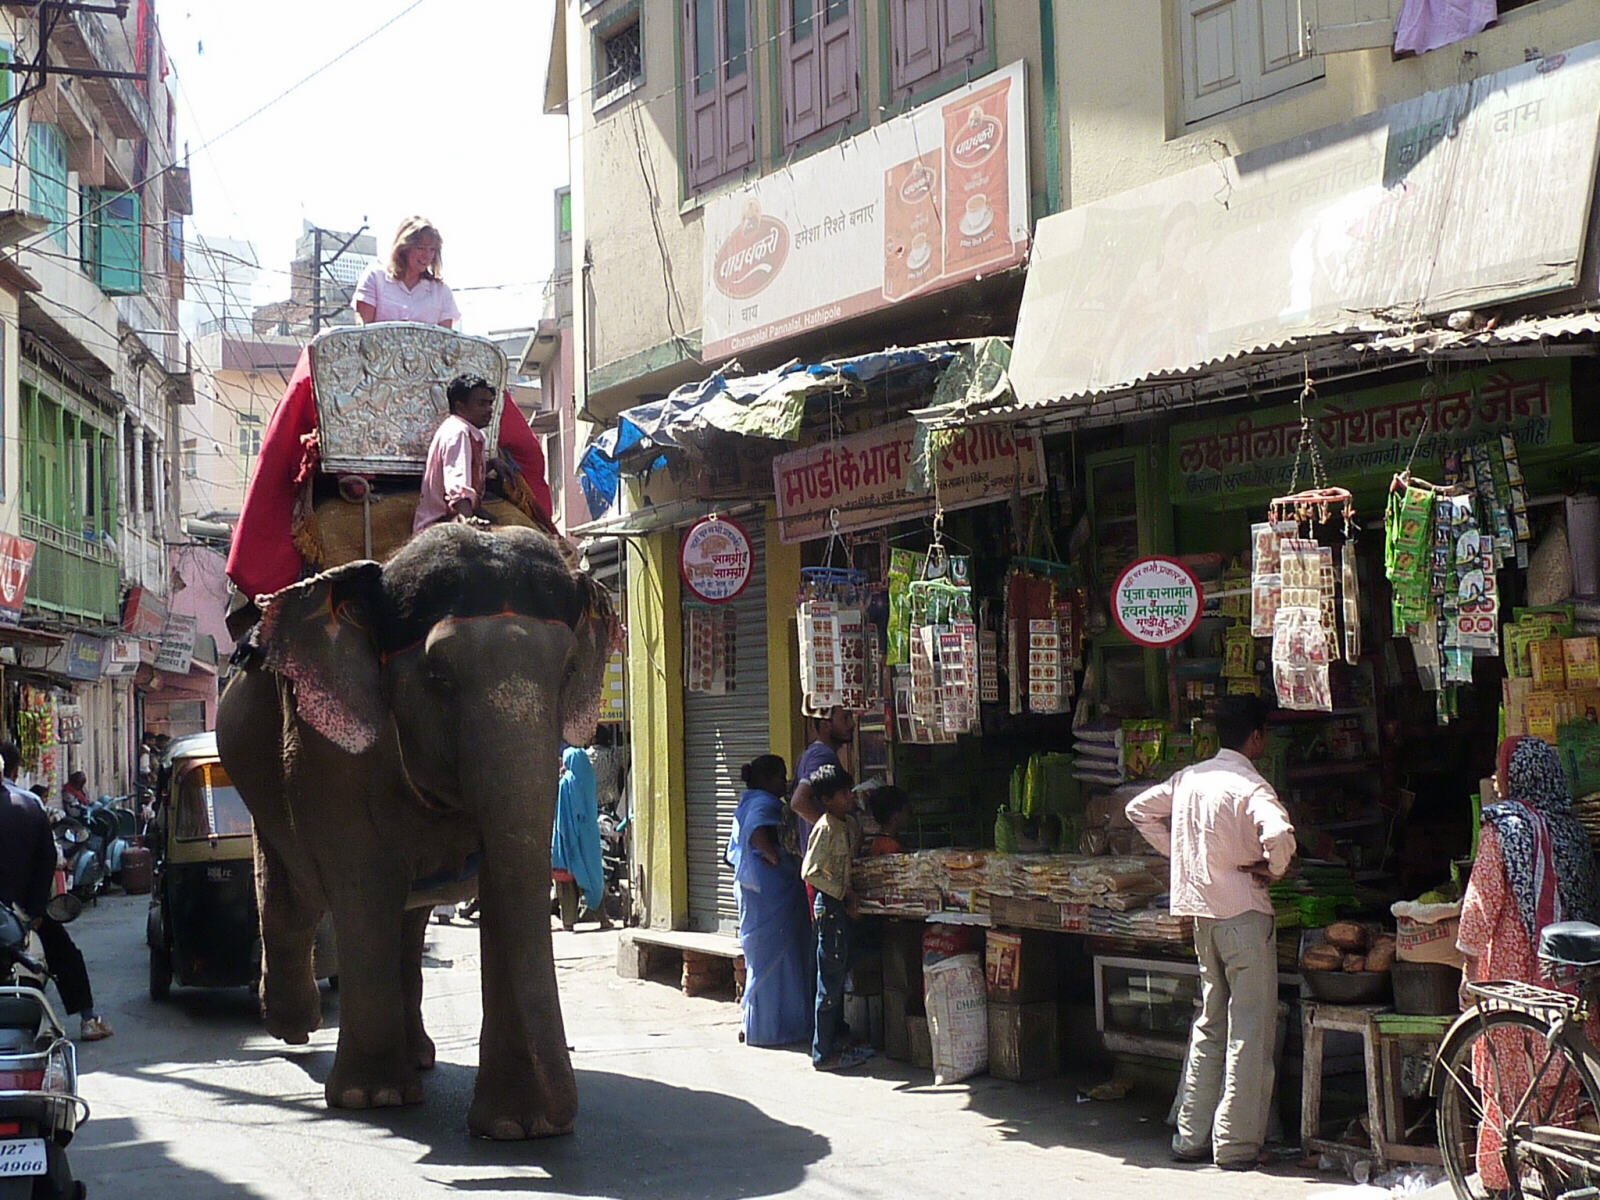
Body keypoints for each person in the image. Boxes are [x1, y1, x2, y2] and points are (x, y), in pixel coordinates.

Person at [1125, 695, 1293, 1171]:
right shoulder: (1250, 785)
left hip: (1203, 918)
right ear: (1257, 736)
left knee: (1210, 1022)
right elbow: (1280, 837)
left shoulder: (1191, 778)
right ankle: (1236, 1146)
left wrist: (1181, 854)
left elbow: (1139, 809)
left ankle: (1190, 1137)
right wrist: (1271, 869)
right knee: (1249, 1030)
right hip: (1243, 914)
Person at [1456, 735, 1600, 1192]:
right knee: (1565, 1075)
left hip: (1517, 970)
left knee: (1507, 1082)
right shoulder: (1571, 828)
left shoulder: (1504, 828)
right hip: (1568, 974)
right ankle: (1563, 1174)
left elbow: (1481, 905)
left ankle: (1499, 1180)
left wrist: (1467, 966)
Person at [0, 743, 111, 1042]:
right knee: (65, 956)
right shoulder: (28, 804)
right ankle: (88, 1018)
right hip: (24, 910)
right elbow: (47, 858)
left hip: (15, 911)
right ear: (14, 769)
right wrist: (35, 909)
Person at [724, 754, 813, 1047]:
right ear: (766, 779)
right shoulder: (761, 803)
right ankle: (767, 1028)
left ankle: (761, 1024)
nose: (784, 783)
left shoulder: (748, 800)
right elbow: (756, 831)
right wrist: (772, 854)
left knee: (768, 960)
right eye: (780, 777)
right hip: (768, 892)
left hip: (760, 892)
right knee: (770, 959)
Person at [800, 764, 872, 1072]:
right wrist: (844, 894)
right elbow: (810, 871)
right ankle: (823, 1053)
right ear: (827, 799)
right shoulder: (826, 827)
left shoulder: (846, 824)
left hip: (840, 906)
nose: (848, 797)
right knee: (829, 983)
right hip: (829, 907)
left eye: (849, 791)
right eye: (843, 794)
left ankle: (837, 1039)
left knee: (838, 976)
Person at [413, 373, 497, 533]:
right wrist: (468, 521)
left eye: (490, 404)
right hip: (440, 524)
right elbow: (456, 484)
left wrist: (492, 464)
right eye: (481, 404)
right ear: (460, 407)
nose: (489, 410)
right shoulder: (458, 432)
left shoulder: (465, 431)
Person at [353, 216, 462, 328]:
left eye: (432, 249)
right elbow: (363, 331)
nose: (427, 256)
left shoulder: (441, 292)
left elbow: (445, 340)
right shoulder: (375, 278)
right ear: (404, 248)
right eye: (421, 248)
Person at [552, 744, 611, 932]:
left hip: (568, 840)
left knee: (567, 882)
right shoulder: (588, 779)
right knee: (593, 876)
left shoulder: (565, 783)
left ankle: (568, 922)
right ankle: (603, 919)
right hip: (589, 840)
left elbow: (562, 818)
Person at [788, 707, 856, 850]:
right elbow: (798, 802)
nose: (852, 724)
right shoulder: (822, 756)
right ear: (825, 725)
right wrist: (834, 833)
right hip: (824, 862)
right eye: (845, 718)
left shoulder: (811, 753)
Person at [864, 785, 911, 857]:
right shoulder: (890, 848)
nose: (908, 815)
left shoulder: (879, 841)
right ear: (895, 816)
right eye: (906, 811)